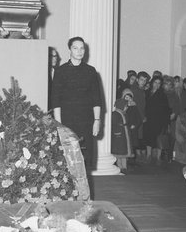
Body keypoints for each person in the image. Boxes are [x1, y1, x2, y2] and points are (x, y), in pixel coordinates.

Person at [51, 36, 102, 168]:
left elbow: (97, 98)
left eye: (82, 48)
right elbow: (56, 100)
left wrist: (97, 121)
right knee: (67, 159)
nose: (79, 51)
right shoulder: (61, 71)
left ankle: (83, 189)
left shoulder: (90, 71)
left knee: (85, 159)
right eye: (75, 48)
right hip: (67, 120)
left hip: (86, 121)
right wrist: (59, 125)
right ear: (70, 50)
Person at [143, 75, 170, 165]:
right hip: (148, 119)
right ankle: (148, 155)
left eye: (159, 83)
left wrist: (165, 123)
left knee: (158, 139)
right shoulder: (147, 92)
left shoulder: (163, 95)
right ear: (152, 83)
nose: (157, 85)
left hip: (159, 120)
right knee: (148, 137)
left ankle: (158, 158)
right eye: (155, 82)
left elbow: (166, 110)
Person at [132, 71, 149, 163]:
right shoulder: (134, 90)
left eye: (145, 80)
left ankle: (138, 157)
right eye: (141, 79)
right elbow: (136, 106)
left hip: (141, 117)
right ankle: (137, 157)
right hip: (137, 117)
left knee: (139, 136)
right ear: (137, 80)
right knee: (136, 137)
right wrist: (142, 117)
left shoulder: (142, 90)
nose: (143, 82)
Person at [111, 97, 132, 173]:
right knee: (119, 152)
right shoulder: (115, 114)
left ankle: (124, 167)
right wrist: (117, 132)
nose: (127, 108)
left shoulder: (124, 114)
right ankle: (120, 167)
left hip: (124, 135)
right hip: (118, 136)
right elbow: (114, 125)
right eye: (126, 106)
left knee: (124, 152)